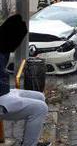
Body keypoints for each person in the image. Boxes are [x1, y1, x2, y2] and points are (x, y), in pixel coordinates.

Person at [0, 15, 48, 146]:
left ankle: (28, 139)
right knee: (40, 108)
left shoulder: (3, 47)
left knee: (39, 97)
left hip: (4, 91)